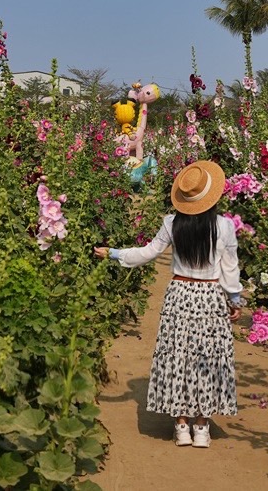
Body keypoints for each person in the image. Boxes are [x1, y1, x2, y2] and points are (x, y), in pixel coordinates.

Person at [94, 160, 243, 448]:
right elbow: (231, 268)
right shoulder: (224, 227)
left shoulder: (172, 223)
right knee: (207, 359)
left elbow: (148, 252)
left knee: (178, 357)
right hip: (210, 296)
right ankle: (202, 427)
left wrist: (113, 253)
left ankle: (181, 425)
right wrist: (235, 299)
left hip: (180, 295)